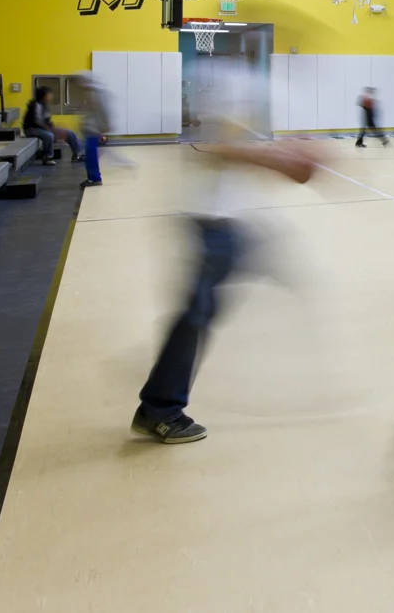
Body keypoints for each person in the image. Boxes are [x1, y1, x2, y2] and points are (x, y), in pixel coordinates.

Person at [130, 61, 316, 444]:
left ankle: (160, 400)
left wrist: (284, 156)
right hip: (209, 217)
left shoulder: (256, 88)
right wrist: (277, 159)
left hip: (230, 219)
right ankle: (159, 408)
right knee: (196, 312)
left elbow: (237, 146)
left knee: (202, 309)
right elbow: (213, 146)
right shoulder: (232, 82)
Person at [22, 85, 79, 165]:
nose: (51, 96)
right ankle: (47, 157)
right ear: (44, 95)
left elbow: (47, 121)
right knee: (49, 136)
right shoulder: (36, 105)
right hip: (31, 129)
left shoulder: (44, 105)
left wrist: (55, 129)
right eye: (49, 94)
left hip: (42, 128)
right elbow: (38, 121)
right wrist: (51, 130)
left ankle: (77, 154)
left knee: (69, 133)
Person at [77, 74, 109, 189]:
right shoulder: (89, 94)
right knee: (90, 155)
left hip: (93, 130)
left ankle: (95, 178)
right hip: (90, 130)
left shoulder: (96, 94)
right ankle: (93, 177)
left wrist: (104, 129)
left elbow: (102, 112)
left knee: (91, 155)